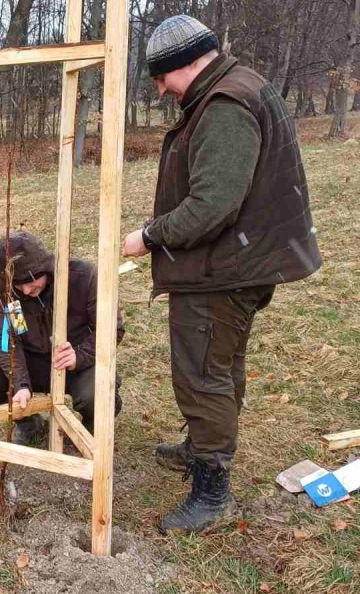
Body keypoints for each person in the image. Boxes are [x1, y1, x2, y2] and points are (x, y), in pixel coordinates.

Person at [122, 15, 321, 535]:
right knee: (220, 363)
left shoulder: (224, 106)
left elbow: (213, 204)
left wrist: (149, 236)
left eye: (162, 76)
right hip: (238, 264)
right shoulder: (237, 87)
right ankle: (201, 447)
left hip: (221, 271)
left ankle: (212, 492)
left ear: (185, 63)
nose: (160, 89)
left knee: (202, 374)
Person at [0, 231, 124, 445]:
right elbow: (4, 338)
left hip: (76, 362)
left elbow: (112, 328)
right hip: (31, 362)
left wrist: (81, 356)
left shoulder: (84, 276)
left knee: (98, 394)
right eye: (18, 285)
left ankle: (89, 430)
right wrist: (20, 382)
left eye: (30, 281)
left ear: (45, 268)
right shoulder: (4, 288)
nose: (26, 290)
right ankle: (29, 423)